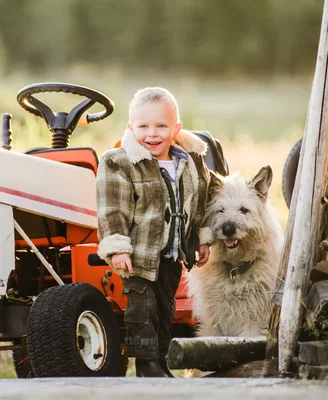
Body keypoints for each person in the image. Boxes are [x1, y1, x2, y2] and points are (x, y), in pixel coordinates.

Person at [96, 87, 212, 377]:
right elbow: (112, 208)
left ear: (176, 128)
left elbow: (199, 204)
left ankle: (160, 360)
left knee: (164, 308)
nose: (152, 134)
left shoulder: (189, 162)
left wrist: (201, 240)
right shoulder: (118, 162)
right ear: (130, 127)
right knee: (141, 308)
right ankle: (145, 364)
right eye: (144, 126)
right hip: (138, 253)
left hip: (171, 254)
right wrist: (118, 247)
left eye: (161, 126)